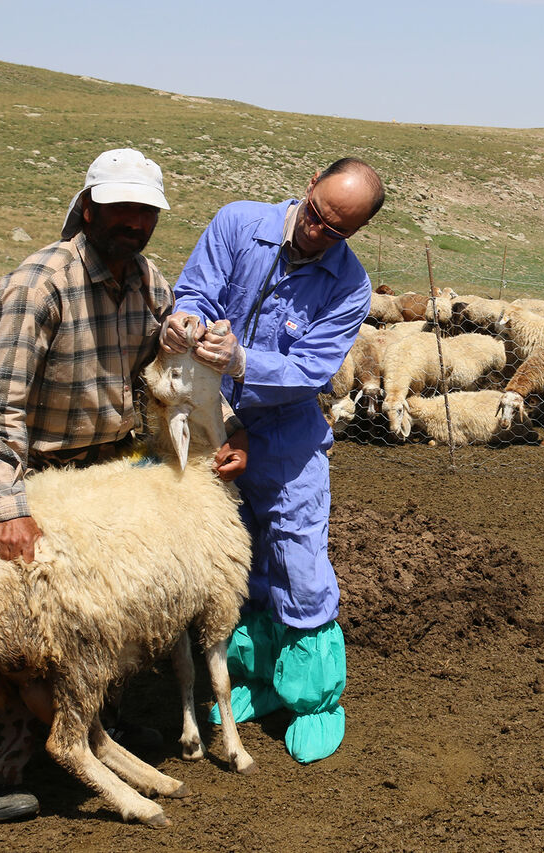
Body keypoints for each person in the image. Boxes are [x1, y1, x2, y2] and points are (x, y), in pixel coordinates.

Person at [0, 148, 246, 822]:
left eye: (144, 212)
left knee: (104, 622)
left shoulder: (146, 280)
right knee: (24, 626)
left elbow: (161, 360)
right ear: (87, 207)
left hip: (114, 474)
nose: (133, 223)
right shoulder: (40, 285)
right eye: (119, 209)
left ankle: (98, 734)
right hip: (47, 479)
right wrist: (7, 507)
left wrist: (180, 337)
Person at [162, 157, 383, 765]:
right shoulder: (238, 224)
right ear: (310, 184)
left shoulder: (350, 285)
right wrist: (185, 322)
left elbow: (310, 370)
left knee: (298, 558)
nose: (317, 233)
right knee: (239, 556)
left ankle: (316, 700)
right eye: (316, 216)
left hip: (288, 440)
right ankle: (252, 678)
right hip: (214, 424)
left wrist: (241, 362)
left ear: (354, 233)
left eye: (336, 230)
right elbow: (197, 290)